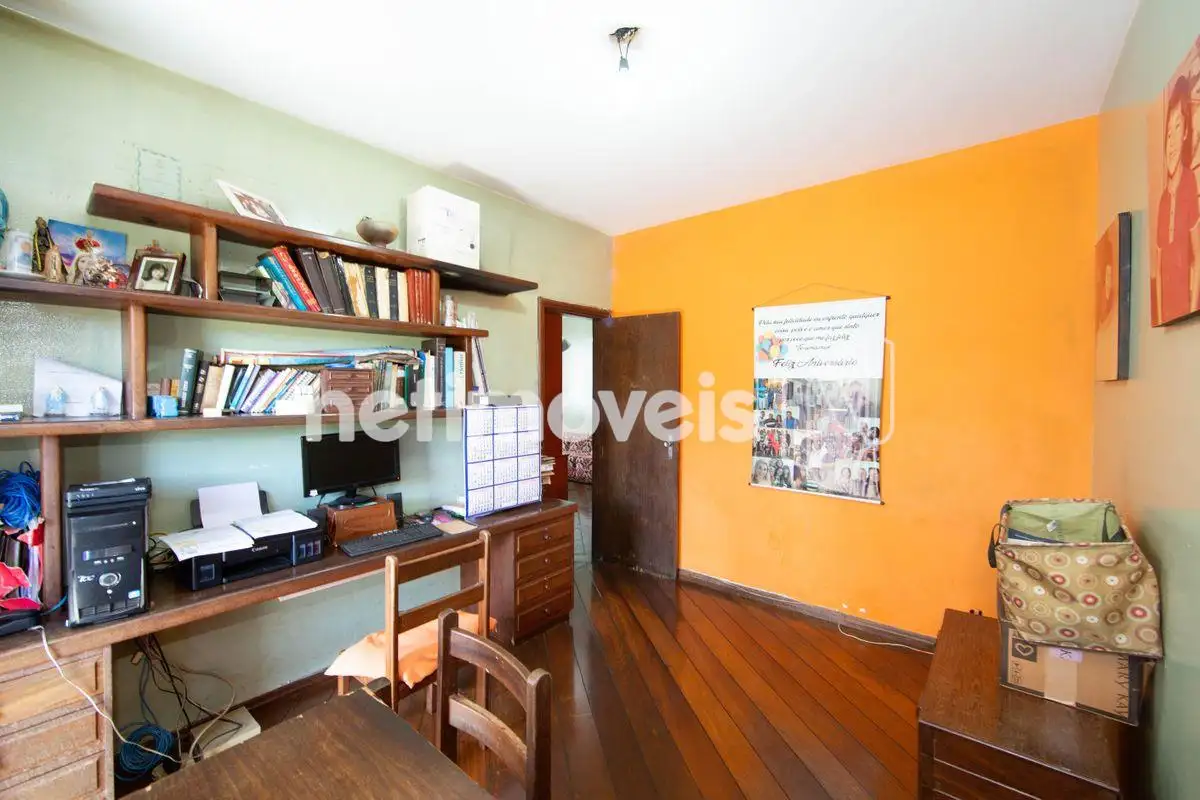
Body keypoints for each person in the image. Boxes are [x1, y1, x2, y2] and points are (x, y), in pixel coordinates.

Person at [1155, 75, 1200, 323]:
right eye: (1167, 133)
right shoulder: (1162, 201)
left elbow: (1198, 256)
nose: (1171, 142)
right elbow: (1160, 270)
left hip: (1186, 308)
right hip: (1168, 314)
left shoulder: (1190, 183)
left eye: (1177, 128)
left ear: (1185, 134)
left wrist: (1192, 310)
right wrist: (1163, 318)